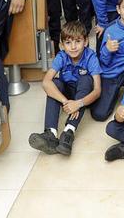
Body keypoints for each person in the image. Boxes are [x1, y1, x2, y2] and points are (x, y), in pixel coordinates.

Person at [30, 21, 102, 156]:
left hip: (83, 94)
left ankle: (69, 131)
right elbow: (46, 82)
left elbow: (97, 90)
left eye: (78, 41)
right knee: (55, 83)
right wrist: (66, 102)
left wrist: (78, 103)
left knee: (86, 79)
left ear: (86, 42)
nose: (73, 47)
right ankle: (50, 134)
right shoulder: (61, 56)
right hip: (68, 95)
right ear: (61, 45)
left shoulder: (91, 57)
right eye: (68, 43)